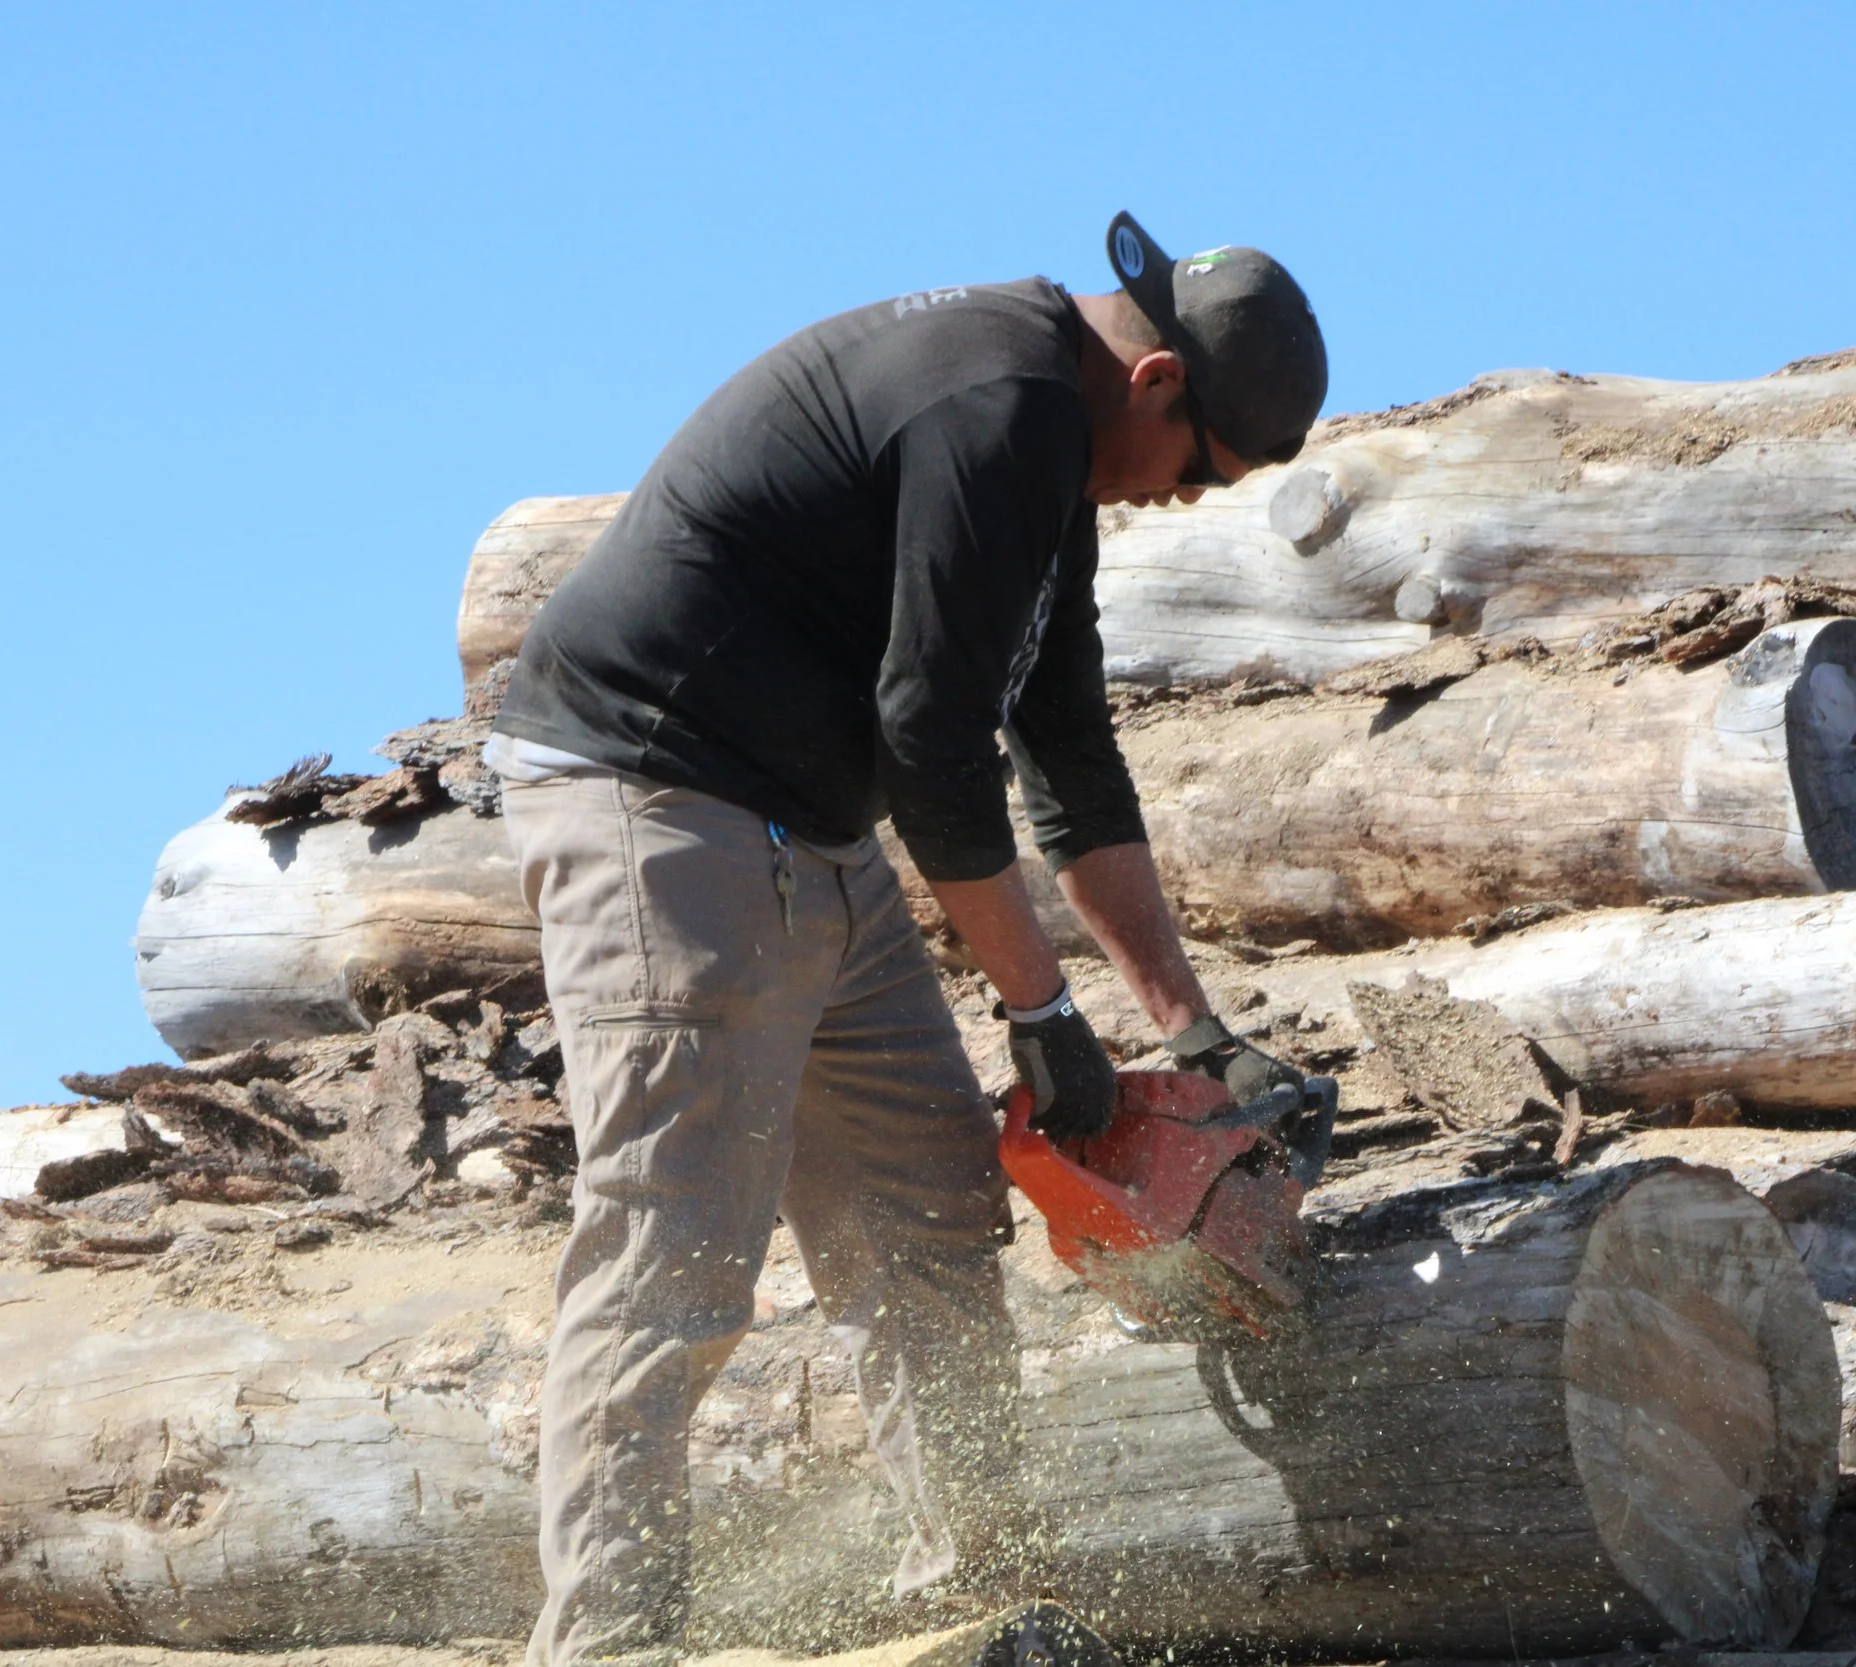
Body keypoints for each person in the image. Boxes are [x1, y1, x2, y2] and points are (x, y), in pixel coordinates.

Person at [483, 211, 1328, 1666]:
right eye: (1201, 476)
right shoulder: (996, 406)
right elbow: (933, 742)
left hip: (804, 821)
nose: (1182, 504)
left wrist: (1189, 1028)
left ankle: (977, 1599)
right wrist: (1039, 1008)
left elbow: (1063, 748)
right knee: (672, 1248)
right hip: (657, 794)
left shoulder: (1058, 450)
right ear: (1159, 385)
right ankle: (609, 1644)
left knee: (928, 1198)